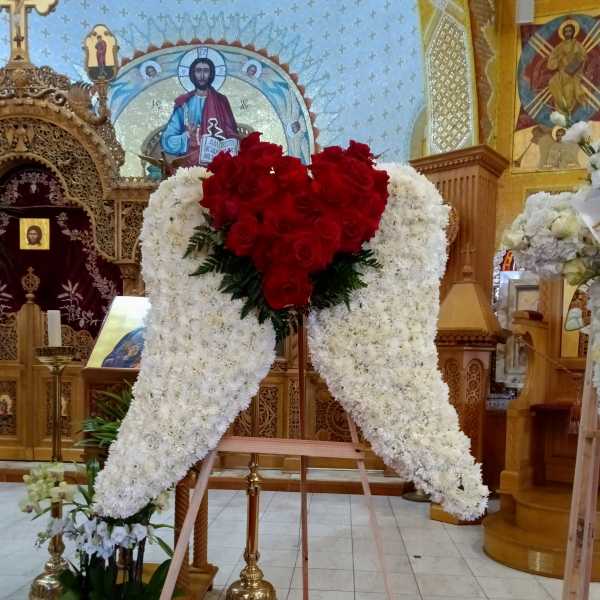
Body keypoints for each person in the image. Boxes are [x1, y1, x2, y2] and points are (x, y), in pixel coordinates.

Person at [160, 58, 239, 166]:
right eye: (198, 71)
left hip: (218, 159)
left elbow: (231, 132)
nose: (202, 75)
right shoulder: (184, 103)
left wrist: (227, 142)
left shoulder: (221, 101)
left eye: (206, 71)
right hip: (190, 160)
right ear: (193, 74)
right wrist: (187, 136)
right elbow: (168, 139)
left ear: (211, 74)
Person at [547, 20, 587, 116]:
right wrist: (558, 60)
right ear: (563, 33)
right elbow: (550, 63)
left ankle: (567, 112)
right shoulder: (559, 47)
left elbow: (582, 57)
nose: (568, 33)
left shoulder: (577, 45)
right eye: (566, 31)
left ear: (573, 32)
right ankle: (562, 110)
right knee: (552, 82)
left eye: (570, 31)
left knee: (569, 92)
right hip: (561, 74)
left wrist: (570, 70)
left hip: (572, 74)